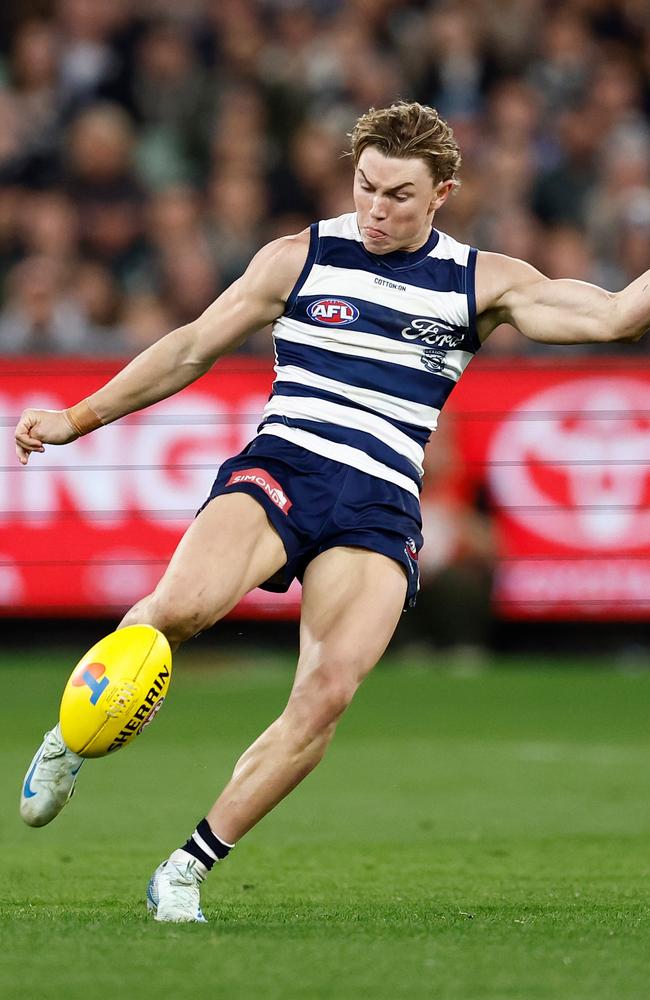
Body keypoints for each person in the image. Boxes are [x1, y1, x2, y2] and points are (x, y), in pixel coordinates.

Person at [15, 101, 648, 923]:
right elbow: (190, 347)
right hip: (285, 466)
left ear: (443, 193)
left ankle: (183, 871)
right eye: (366, 187)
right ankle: (72, 734)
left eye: (399, 196)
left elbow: (614, 315)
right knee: (178, 610)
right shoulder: (300, 256)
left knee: (325, 696)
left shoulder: (481, 281)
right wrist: (77, 418)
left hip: (380, 503)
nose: (377, 210)